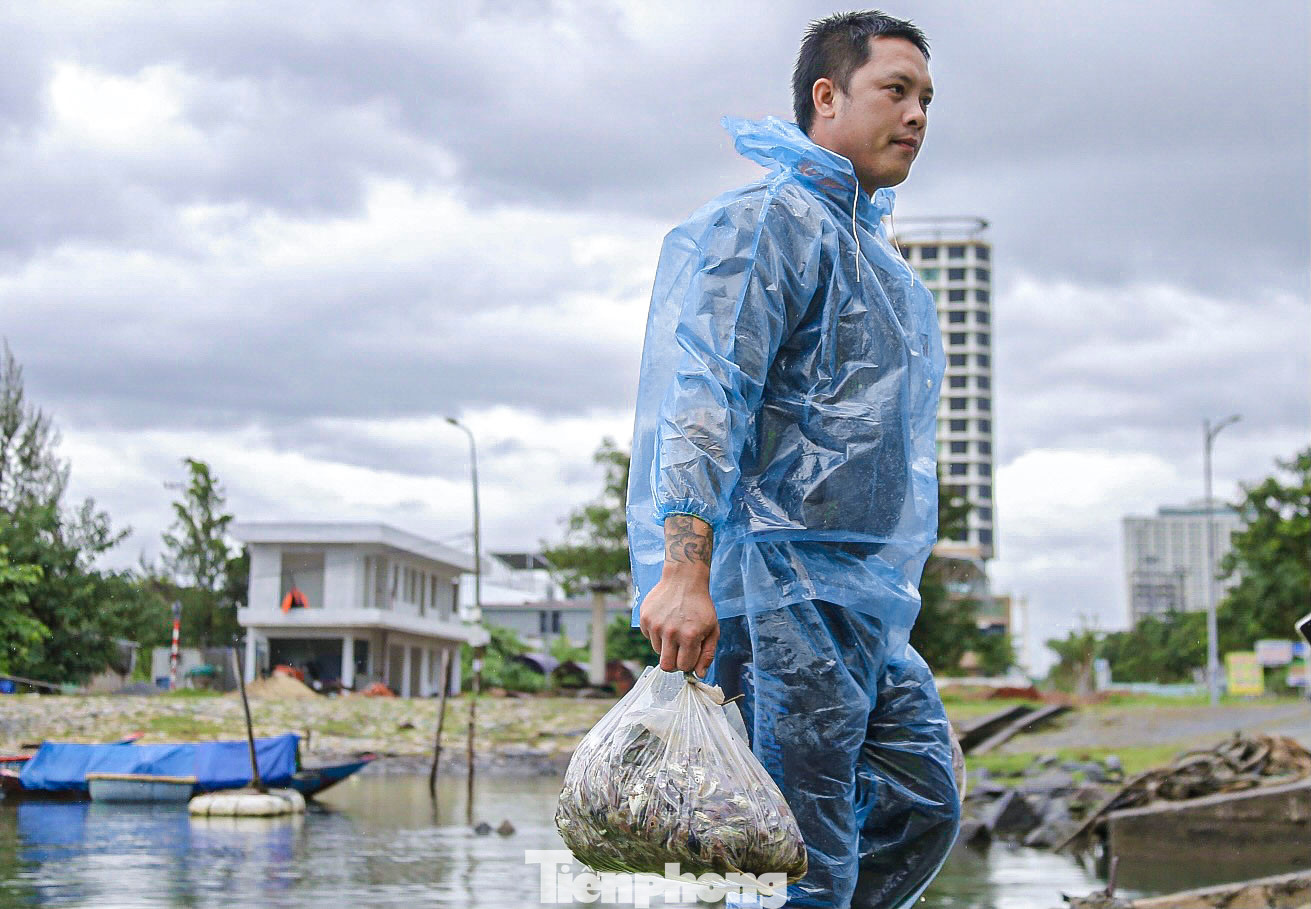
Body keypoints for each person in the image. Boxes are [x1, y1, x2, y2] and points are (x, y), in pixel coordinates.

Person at [626, 10, 960, 908]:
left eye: (926, 97)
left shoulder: (877, 255)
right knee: (801, 854)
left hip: (860, 597)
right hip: (779, 591)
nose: (917, 114)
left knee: (920, 802)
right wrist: (684, 568)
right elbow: (705, 394)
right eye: (895, 90)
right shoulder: (768, 223)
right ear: (826, 96)